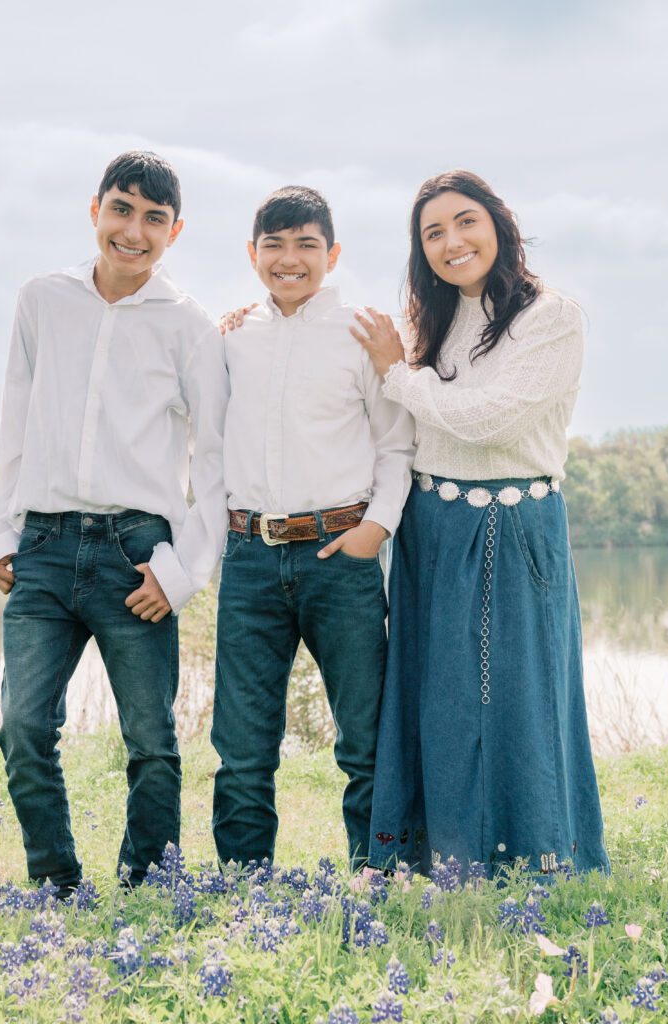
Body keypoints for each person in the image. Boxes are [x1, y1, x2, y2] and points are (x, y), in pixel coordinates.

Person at [0, 150, 229, 894]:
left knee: (151, 740)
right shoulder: (43, 299)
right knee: (23, 728)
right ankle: (56, 881)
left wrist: (183, 572)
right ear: (96, 211)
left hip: (137, 552)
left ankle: (148, 882)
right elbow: (14, 419)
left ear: (173, 232)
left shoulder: (189, 326)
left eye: (154, 219)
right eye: (121, 209)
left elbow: (213, 461)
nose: (134, 230)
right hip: (45, 546)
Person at [350, 170, 610, 878]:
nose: (451, 241)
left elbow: (490, 419)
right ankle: (438, 856)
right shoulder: (426, 323)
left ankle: (530, 859)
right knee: (437, 698)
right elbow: (351, 367)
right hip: (430, 528)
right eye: (432, 232)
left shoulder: (549, 317)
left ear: (498, 224)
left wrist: (398, 376)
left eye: (464, 221)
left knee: (515, 696)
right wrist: (243, 322)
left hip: (511, 522)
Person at [212, 186, 415, 871]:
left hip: (340, 555)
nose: (288, 259)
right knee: (241, 747)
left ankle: (379, 877)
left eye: (305, 245)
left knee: (364, 739)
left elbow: (395, 443)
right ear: (252, 254)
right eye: (273, 246)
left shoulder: (363, 331)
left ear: (331, 254)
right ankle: (243, 887)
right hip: (248, 557)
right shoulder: (232, 336)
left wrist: (375, 529)